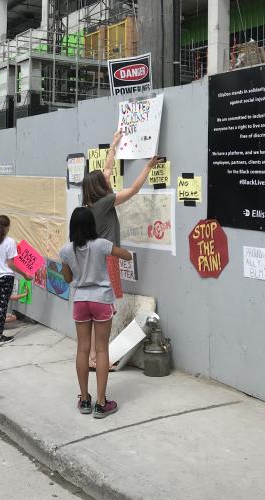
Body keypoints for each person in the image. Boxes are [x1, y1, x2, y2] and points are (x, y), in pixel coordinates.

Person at [82, 130, 160, 368]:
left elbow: (106, 170)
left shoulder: (87, 202)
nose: (109, 177)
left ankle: (94, 355)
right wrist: (148, 167)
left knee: (102, 307)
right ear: (100, 188)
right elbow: (134, 190)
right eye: (105, 180)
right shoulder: (106, 202)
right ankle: (96, 357)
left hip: (95, 259)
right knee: (104, 308)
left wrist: (114, 144)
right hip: (108, 259)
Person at [60, 207, 132, 419]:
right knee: (101, 351)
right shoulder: (101, 245)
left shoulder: (65, 250)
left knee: (82, 350)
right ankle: (101, 403)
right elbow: (126, 255)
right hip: (101, 300)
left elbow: (67, 278)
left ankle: (84, 399)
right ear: (92, 225)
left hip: (80, 301)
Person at [0, 215, 32, 346]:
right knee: (3, 306)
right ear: (8, 227)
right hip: (6, 278)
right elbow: (10, 264)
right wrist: (25, 274)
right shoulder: (10, 242)